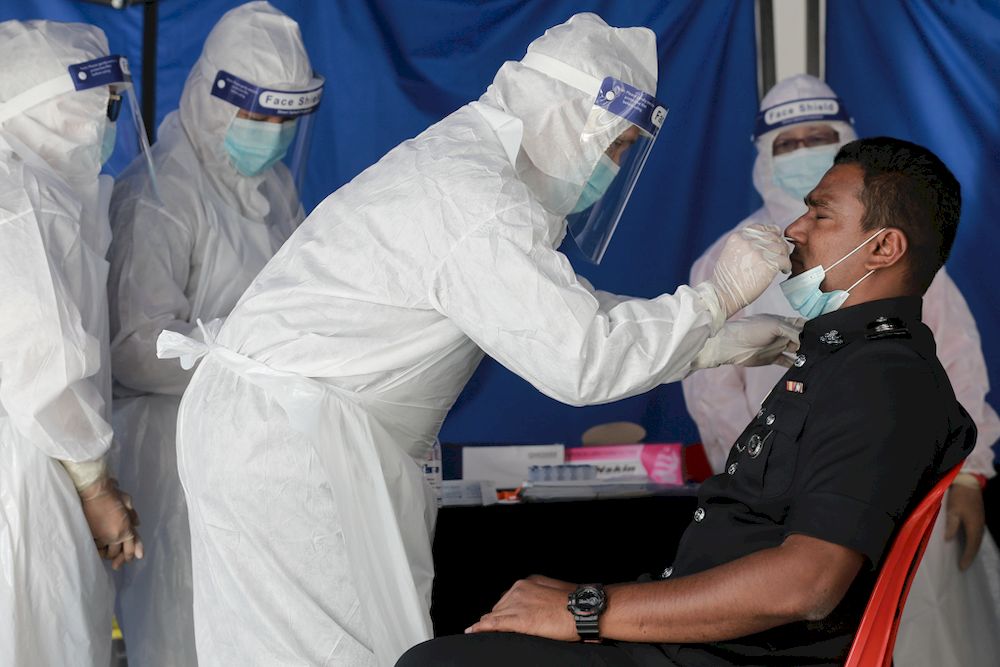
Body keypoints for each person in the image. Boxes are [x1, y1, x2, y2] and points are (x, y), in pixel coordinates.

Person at [154, 13, 801, 667]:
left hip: (298, 434)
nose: (611, 165)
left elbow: (555, 309)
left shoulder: (480, 171)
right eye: (611, 144)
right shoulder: (477, 198)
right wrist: (714, 300)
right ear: (560, 114)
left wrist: (706, 342)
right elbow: (579, 356)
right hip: (287, 447)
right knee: (324, 654)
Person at [398, 137, 977, 667]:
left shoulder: (881, 379)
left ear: (884, 247)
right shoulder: (843, 358)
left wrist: (586, 609)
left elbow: (807, 584)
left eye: (820, 213)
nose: (794, 229)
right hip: (695, 643)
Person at [681, 74, 1000, 665]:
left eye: (819, 136)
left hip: (890, 490)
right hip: (780, 515)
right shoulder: (728, 264)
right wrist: (770, 485)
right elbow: (711, 397)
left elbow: (959, 358)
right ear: (761, 156)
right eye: (787, 142)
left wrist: (967, 477)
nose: (804, 152)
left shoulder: (898, 262)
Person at [106, 2, 322, 666]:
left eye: (284, 120)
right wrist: (250, 349)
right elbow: (135, 349)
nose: (271, 133)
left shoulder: (272, 184)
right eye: (256, 116)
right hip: (174, 458)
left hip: (253, 451)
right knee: (183, 635)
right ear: (211, 98)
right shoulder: (162, 192)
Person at [0, 19, 145, 667]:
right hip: (30, 468)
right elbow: (44, 358)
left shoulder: (39, 192)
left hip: (33, 453)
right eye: (94, 105)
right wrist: (94, 485)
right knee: (40, 634)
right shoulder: (24, 202)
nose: (104, 123)